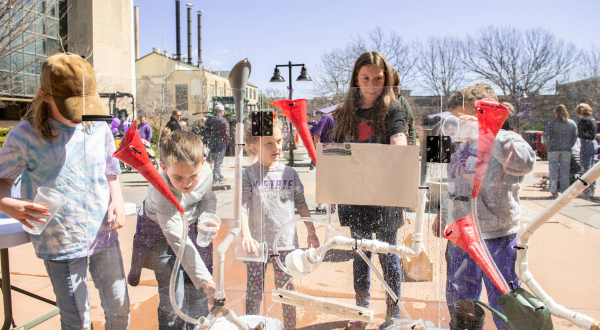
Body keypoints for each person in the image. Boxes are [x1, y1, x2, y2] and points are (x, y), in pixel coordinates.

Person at [0, 52, 130, 329]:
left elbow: (110, 170)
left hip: (102, 233)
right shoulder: (24, 135)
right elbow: (3, 180)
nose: (80, 114)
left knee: (119, 309)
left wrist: (116, 199)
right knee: (77, 320)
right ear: (44, 96)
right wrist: (7, 204)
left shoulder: (98, 128)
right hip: (59, 241)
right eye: (71, 106)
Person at [432, 83, 536, 330]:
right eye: (457, 120)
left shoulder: (506, 139)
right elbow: (453, 185)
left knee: (504, 301)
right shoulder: (460, 147)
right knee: (460, 299)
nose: (462, 126)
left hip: (497, 235)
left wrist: (489, 133)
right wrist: (443, 213)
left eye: (467, 119)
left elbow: (527, 162)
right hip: (463, 234)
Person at [332, 51, 407, 325]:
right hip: (356, 194)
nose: (373, 84)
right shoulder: (344, 112)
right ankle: (361, 310)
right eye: (366, 78)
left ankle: (393, 312)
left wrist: (399, 149)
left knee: (389, 255)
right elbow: (338, 150)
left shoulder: (393, 108)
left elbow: (399, 135)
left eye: (378, 78)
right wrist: (333, 169)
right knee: (362, 255)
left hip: (386, 194)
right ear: (356, 79)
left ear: (386, 78)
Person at [128, 130, 217, 329]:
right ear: (163, 168)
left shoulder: (207, 173)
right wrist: (206, 281)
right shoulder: (159, 189)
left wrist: (205, 217)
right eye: (178, 177)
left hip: (189, 226)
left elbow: (207, 198)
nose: (187, 183)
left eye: (193, 175)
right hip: (158, 233)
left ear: (203, 162)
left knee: (198, 295)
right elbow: (177, 238)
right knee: (172, 298)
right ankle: (169, 325)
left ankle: (196, 325)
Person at [240, 119, 319, 330]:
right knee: (254, 291)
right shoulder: (247, 175)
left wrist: (311, 232)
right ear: (254, 146)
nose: (277, 147)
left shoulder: (289, 174)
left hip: (285, 243)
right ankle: (252, 325)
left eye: (279, 141)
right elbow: (242, 207)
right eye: (269, 143)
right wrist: (246, 234)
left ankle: (290, 327)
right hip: (257, 245)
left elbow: (301, 205)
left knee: (287, 290)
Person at [544, 104, 578, 198]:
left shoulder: (552, 123)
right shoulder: (571, 123)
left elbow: (546, 136)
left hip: (553, 149)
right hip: (566, 149)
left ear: (556, 113)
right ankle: (564, 189)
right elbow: (574, 137)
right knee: (565, 171)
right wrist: (570, 145)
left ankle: (553, 190)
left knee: (553, 170)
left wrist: (549, 146)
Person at [204, 104, 230, 184]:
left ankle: (219, 177)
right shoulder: (222, 120)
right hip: (220, 143)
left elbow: (206, 132)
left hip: (212, 142)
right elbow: (226, 134)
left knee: (215, 161)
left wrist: (206, 142)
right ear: (221, 111)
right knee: (218, 163)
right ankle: (215, 179)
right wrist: (226, 143)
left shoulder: (209, 120)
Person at [576, 103, 597, 197]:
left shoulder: (583, 121)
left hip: (586, 143)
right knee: (592, 167)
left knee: (586, 167)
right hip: (593, 143)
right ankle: (592, 188)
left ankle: (586, 189)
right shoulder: (592, 119)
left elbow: (579, 133)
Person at [392, 69, 416, 145]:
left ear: (395, 83)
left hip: (400, 143)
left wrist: (412, 146)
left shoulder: (402, 101)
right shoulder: (376, 100)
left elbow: (411, 126)